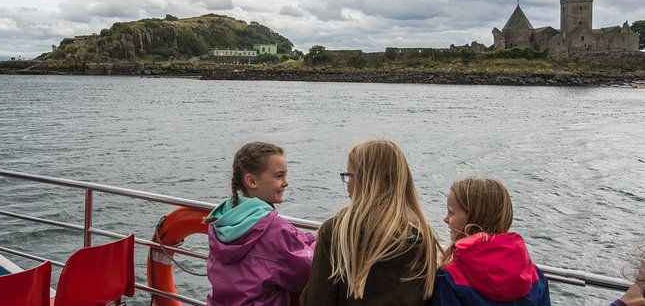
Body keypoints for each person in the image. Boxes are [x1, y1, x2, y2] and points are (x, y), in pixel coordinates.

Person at [300, 139, 439, 306]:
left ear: (367, 181)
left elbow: (317, 300)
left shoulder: (336, 231)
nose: (347, 184)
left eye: (350, 175)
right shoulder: (423, 236)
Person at [205, 142, 315, 306]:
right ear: (251, 181)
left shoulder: (220, 220)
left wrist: (311, 236)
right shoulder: (274, 228)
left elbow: (276, 249)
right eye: (279, 176)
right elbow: (304, 273)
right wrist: (320, 243)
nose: (286, 182)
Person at [431, 176, 551, 306]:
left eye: (451, 212)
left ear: (473, 218)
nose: (446, 219)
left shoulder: (449, 277)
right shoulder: (534, 274)